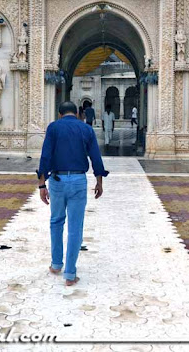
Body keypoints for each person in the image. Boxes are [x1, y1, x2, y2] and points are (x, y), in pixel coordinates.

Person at [37, 101, 109, 286]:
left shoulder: (53, 128)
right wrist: (99, 181)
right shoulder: (85, 129)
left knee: (56, 221)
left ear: (60, 114)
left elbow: (45, 155)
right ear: (77, 113)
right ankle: (70, 274)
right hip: (78, 180)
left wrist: (41, 184)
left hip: (57, 181)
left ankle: (56, 264)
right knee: (75, 227)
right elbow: (95, 156)